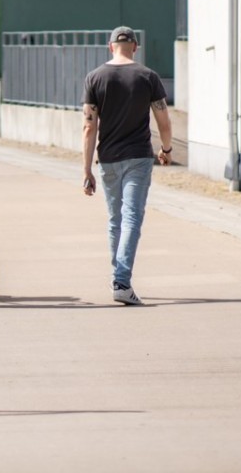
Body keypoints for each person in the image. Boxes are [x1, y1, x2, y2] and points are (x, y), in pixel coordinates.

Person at [81, 26, 174, 306]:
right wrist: (166, 149)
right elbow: (164, 121)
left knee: (115, 220)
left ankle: (118, 276)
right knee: (132, 217)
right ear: (135, 46)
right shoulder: (148, 77)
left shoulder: (95, 78)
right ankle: (121, 281)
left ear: (111, 47)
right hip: (138, 157)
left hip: (108, 158)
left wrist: (86, 170)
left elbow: (88, 127)